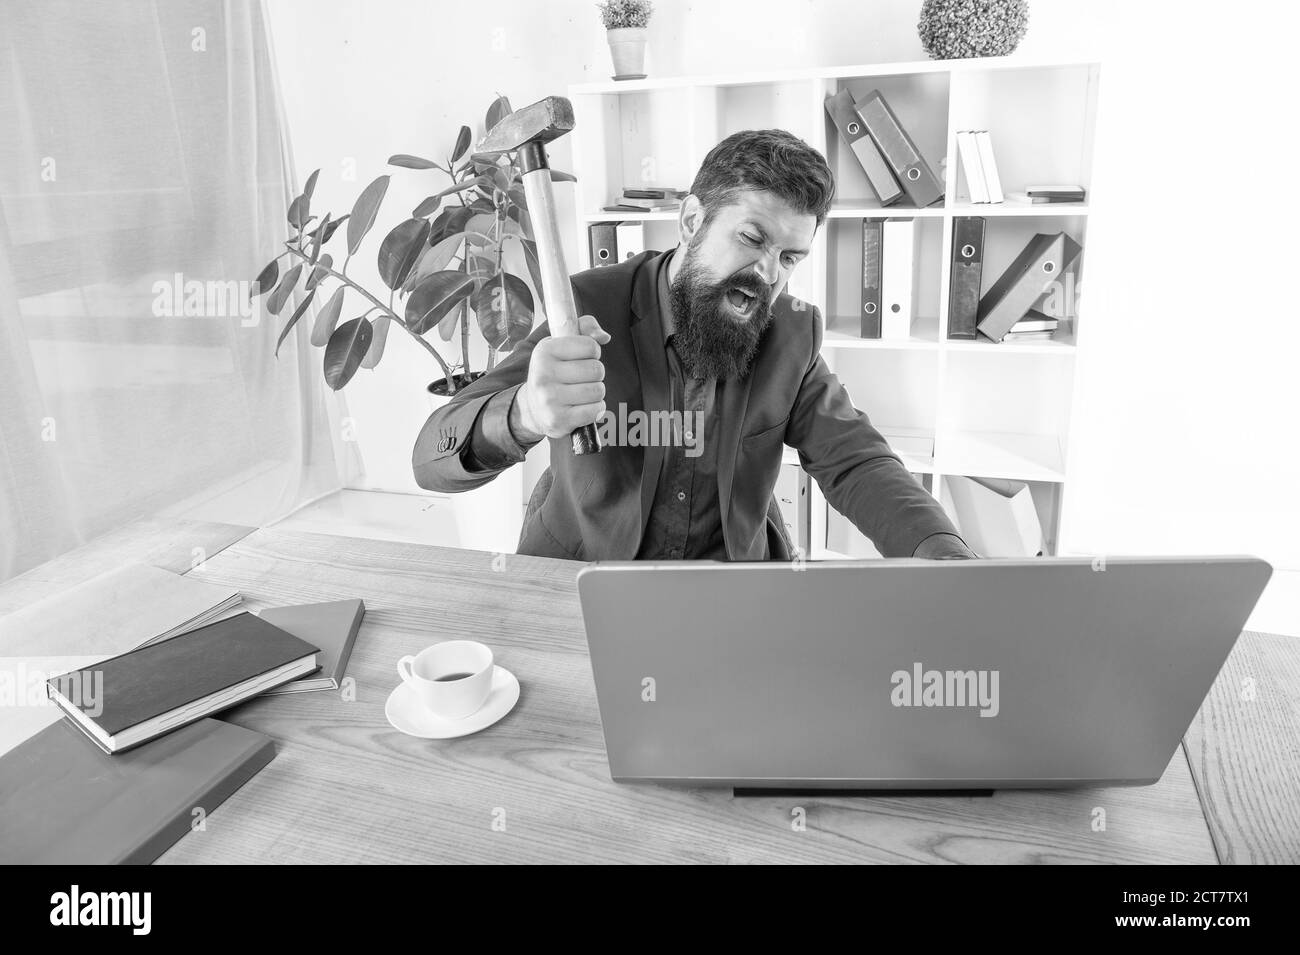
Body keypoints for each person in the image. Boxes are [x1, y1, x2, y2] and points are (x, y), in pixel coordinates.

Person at [413, 128, 976, 563]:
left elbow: (855, 461)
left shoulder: (791, 333)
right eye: (752, 239)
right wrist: (523, 414)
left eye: (789, 257)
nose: (766, 274)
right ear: (690, 220)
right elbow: (429, 459)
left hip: (731, 589)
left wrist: (941, 553)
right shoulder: (583, 311)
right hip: (586, 577)